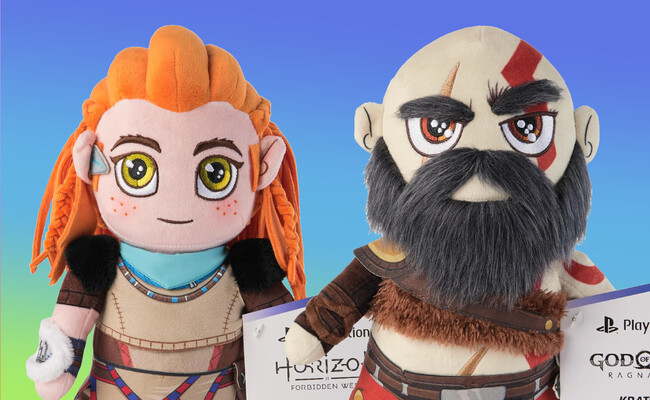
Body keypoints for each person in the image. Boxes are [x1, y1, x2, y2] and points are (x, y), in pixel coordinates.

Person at [285, 26, 613, 400]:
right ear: (373, 132)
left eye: (527, 127)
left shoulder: (561, 265)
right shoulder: (390, 255)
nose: (480, 159)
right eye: (436, 128)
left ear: (582, 136)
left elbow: (619, 329)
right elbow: (344, 298)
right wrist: (314, 330)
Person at [27, 25, 305, 400]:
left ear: (264, 169)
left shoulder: (252, 270)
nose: (176, 201)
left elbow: (288, 345)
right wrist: (56, 362)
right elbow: (66, 334)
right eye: (136, 169)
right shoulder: (94, 264)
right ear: (87, 162)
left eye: (216, 172)